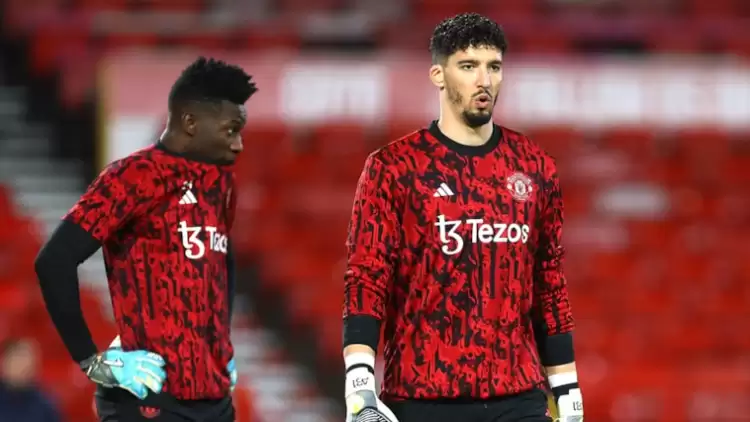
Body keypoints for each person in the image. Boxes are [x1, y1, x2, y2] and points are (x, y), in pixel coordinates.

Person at [342, 13, 584, 422]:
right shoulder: (394, 167)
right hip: (422, 397)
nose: (484, 80)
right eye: (469, 66)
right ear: (438, 74)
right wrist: (359, 380)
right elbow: (367, 276)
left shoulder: (535, 166)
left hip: (519, 399)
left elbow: (549, 284)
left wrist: (568, 391)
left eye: (494, 67)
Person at [34, 56, 257, 422]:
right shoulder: (133, 176)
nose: (238, 145)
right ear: (190, 122)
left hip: (214, 401)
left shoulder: (219, 184)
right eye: (230, 130)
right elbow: (54, 260)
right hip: (149, 398)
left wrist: (221, 342)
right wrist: (92, 362)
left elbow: (222, 258)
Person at [0, 337, 61, 422]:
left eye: (30, 360)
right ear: (4, 362)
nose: (25, 366)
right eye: (19, 359)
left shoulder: (45, 405)